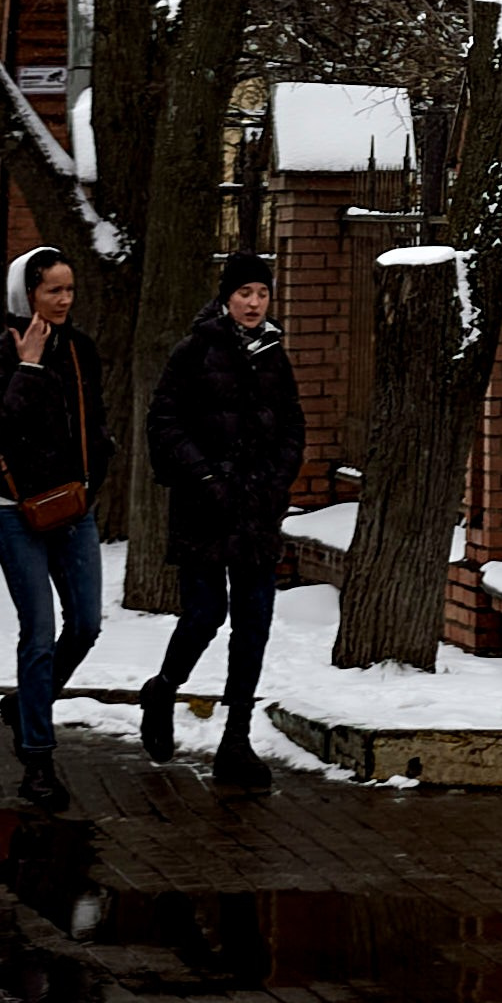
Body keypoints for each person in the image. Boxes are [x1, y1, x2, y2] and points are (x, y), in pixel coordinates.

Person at [142, 248, 305, 795]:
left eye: (262, 293)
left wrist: (277, 479)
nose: (254, 303)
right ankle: (164, 689)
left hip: (257, 508)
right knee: (206, 613)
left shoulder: (274, 355)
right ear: (226, 297)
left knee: (254, 621)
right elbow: (164, 422)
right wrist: (206, 477)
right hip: (205, 508)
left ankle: (236, 739)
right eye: (244, 293)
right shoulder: (194, 351)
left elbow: (293, 427)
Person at [0, 245, 111, 812]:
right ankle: (37, 759)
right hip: (17, 512)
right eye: (54, 289)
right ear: (26, 294)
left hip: (73, 508)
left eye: (69, 289)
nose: (64, 299)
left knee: (86, 624)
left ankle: (26, 703)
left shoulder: (80, 349)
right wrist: (27, 367)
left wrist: (94, 478)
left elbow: (94, 422)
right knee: (38, 632)